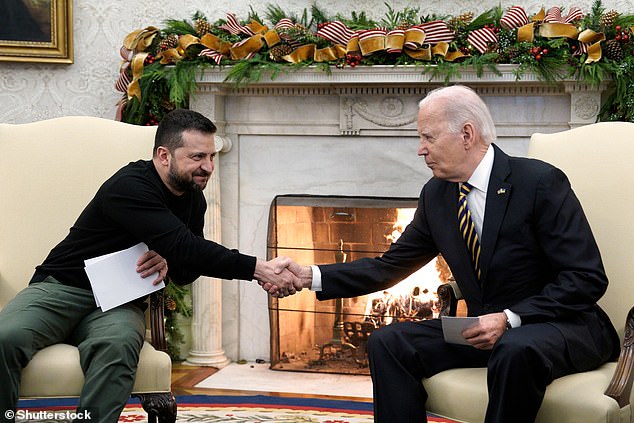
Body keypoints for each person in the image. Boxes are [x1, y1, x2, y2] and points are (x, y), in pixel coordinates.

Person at [265, 85, 620, 422]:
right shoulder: (437, 196)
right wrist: (308, 276)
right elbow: (390, 265)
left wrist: (509, 318)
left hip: (560, 326)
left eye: (428, 137)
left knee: (515, 349)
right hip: (485, 329)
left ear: (466, 134)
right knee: (389, 342)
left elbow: (585, 278)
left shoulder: (539, 182)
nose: (421, 149)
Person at [0, 109, 297, 423]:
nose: (207, 167)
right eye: (197, 157)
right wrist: (257, 268)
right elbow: (186, 247)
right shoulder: (130, 186)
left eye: (211, 156)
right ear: (164, 155)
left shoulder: (193, 198)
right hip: (62, 288)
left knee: (117, 349)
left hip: (118, 303)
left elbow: (186, 269)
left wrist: (169, 260)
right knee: (5, 336)